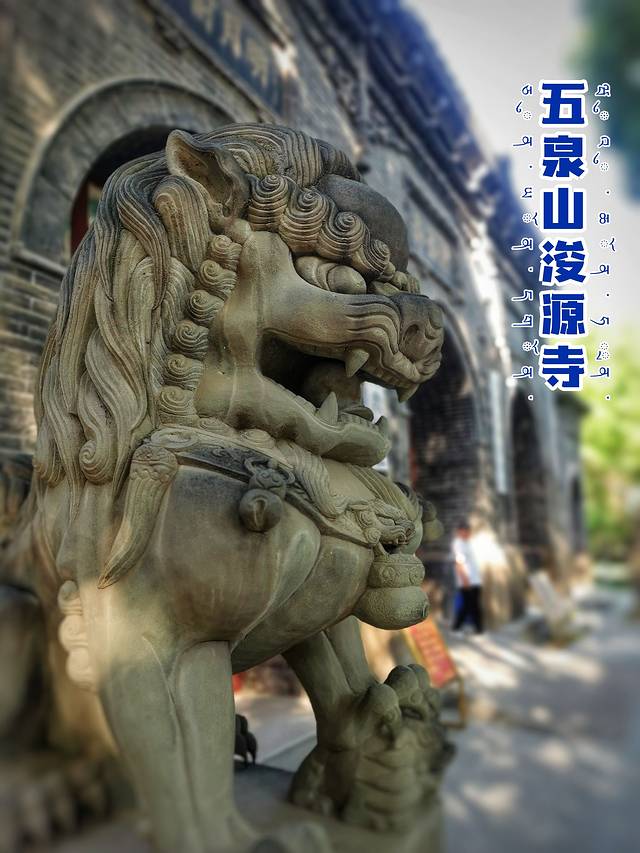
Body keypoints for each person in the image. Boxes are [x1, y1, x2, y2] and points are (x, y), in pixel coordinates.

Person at [451, 520, 484, 634]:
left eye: (467, 530)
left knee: (473, 605)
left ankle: (477, 629)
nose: (466, 532)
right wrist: (465, 580)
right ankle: (457, 628)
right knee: (468, 606)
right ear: (459, 532)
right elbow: (459, 563)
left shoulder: (468, 543)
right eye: (463, 530)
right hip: (467, 581)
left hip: (475, 580)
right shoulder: (458, 544)